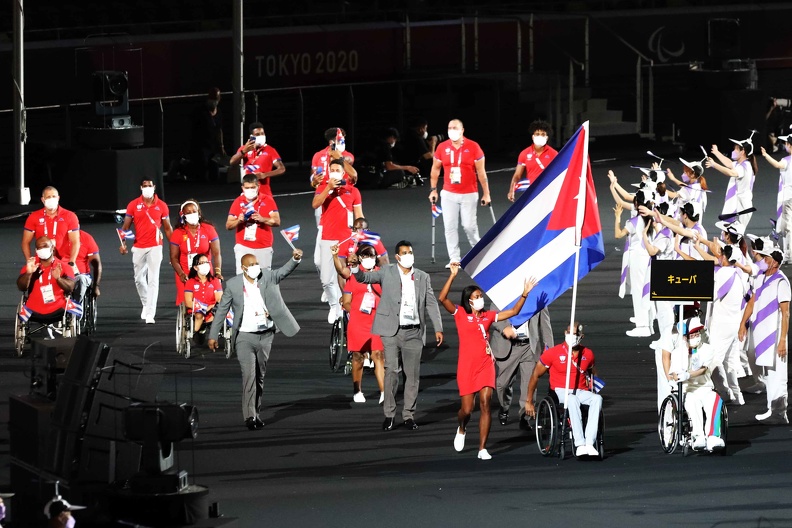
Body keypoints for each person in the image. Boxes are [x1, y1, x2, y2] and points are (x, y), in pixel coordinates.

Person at [438, 263, 536, 460]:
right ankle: (462, 427)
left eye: (481, 296)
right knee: (466, 409)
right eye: (476, 297)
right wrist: (453, 276)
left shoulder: (488, 316)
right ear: (468, 301)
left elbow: (514, 312)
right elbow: (442, 298)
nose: (480, 299)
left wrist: (524, 294)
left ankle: (482, 448)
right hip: (467, 367)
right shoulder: (460, 314)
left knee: (485, 403)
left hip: (485, 364)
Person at [352, 240, 444, 431]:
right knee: (392, 372)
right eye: (404, 252)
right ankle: (389, 414)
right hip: (391, 331)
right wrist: (354, 268)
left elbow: (431, 303)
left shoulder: (422, 276)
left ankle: (409, 415)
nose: (408, 255)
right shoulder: (387, 272)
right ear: (397, 256)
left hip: (414, 332)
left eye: (410, 251)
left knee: (412, 376)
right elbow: (364, 278)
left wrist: (438, 327)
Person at [208, 250, 303, 430]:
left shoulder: (267, 276)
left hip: (266, 335)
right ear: (243, 268)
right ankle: (249, 416)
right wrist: (213, 335)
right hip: (244, 337)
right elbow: (221, 310)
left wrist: (295, 259)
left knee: (259, 376)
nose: (255, 267)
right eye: (251, 265)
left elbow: (283, 271)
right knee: (249, 376)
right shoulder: (234, 285)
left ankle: (256, 412)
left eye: (256, 264)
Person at [524, 323, 602, 458]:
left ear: (581, 336)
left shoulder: (588, 354)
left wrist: (593, 384)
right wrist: (529, 400)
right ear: (565, 333)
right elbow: (535, 375)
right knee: (571, 399)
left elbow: (593, 371)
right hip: (560, 391)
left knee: (597, 399)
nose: (571, 336)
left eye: (575, 334)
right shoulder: (553, 353)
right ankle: (580, 443)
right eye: (568, 333)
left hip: (581, 390)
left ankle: (589, 443)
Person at [428, 119, 492, 267]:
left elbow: (481, 173)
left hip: (469, 193)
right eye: (450, 128)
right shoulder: (442, 147)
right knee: (449, 226)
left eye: (455, 128)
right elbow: (435, 169)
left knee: (469, 226)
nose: (452, 130)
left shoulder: (473, 147)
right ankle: (454, 258)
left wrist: (486, 193)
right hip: (448, 193)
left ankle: (479, 253)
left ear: (462, 130)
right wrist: (433, 190)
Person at [739, 240, 789, 423]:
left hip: (775, 335)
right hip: (760, 333)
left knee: (777, 373)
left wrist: (783, 339)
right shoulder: (760, 278)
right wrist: (742, 323)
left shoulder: (782, 282)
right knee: (769, 372)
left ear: (774, 262)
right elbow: (752, 302)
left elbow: (786, 314)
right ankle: (773, 409)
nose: (763, 260)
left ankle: (778, 411)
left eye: (766, 257)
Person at [331, 243, 385, 403]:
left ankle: (384, 391)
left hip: (378, 320)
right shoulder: (353, 276)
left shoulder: (382, 275)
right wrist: (354, 311)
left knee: (378, 355)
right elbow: (346, 301)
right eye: (367, 255)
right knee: (358, 357)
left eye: (373, 256)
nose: (370, 259)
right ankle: (357, 390)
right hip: (358, 321)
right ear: (360, 258)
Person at [662, 317, 726, 452]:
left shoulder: (708, 349)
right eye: (693, 334)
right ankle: (698, 436)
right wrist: (677, 376)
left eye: (698, 333)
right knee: (692, 403)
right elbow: (672, 373)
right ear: (685, 337)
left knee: (714, 400)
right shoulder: (678, 353)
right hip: (687, 390)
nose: (696, 336)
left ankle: (713, 436)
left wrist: (688, 374)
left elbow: (703, 369)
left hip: (705, 387)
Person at [313, 159, 363, 323]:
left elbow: (359, 215)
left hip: (346, 238)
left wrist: (361, 232)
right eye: (332, 169)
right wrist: (328, 188)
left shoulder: (353, 191)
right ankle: (334, 305)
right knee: (326, 280)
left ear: (343, 173)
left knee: (345, 276)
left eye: (337, 170)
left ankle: (345, 304)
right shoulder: (323, 187)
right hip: (328, 237)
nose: (334, 171)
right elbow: (315, 204)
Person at [119, 179, 173, 324]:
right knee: (138, 279)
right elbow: (126, 227)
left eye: (150, 186)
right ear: (141, 188)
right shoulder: (133, 205)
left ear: (154, 187)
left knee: (153, 280)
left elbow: (167, 228)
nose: (148, 188)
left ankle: (150, 313)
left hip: (156, 246)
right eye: (145, 186)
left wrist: (173, 248)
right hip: (138, 246)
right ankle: (146, 303)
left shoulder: (161, 206)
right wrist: (123, 244)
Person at [491, 308, 554, 429]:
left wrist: (549, 351)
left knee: (529, 384)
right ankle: (504, 407)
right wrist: (504, 328)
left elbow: (546, 324)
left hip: (529, 346)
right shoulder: (503, 291)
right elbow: (494, 314)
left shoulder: (538, 294)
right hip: (507, 345)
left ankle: (525, 417)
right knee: (502, 384)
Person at [614, 192, 656, 337]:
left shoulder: (634, 222)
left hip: (638, 258)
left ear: (637, 205)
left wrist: (618, 217)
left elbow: (618, 234)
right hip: (646, 257)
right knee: (646, 290)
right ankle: (648, 324)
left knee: (638, 291)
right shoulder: (649, 219)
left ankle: (642, 326)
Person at [169, 200, 222, 308]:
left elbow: (216, 254)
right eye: (188, 212)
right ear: (183, 215)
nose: (192, 214)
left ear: (199, 213)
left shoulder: (208, 229)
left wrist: (217, 271)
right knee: (188, 303)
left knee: (210, 300)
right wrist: (181, 274)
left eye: (194, 211)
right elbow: (174, 258)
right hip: (185, 272)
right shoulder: (178, 233)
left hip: (205, 271)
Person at [226, 174, 280, 274]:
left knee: (263, 279)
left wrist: (262, 219)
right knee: (242, 277)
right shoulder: (238, 202)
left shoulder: (267, 200)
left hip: (263, 246)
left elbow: (277, 221)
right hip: (243, 246)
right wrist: (239, 220)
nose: (250, 190)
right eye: (247, 188)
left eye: (252, 187)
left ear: (258, 186)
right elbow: (228, 225)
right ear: (242, 188)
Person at [21, 186, 80, 273]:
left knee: (71, 284)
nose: (51, 199)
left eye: (54, 196)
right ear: (42, 199)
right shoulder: (33, 217)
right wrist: (29, 260)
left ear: (58, 198)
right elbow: (25, 242)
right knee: (29, 283)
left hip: (64, 261)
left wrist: (71, 262)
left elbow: (75, 241)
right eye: (48, 197)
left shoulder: (70, 216)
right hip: (41, 261)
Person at [707, 133, 758, 228]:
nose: (733, 151)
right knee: (734, 236)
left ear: (742, 152)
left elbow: (731, 172)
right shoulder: (742, 164)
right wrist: (716, 152)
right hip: (740, 206)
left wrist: (714, 165)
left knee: (733, 236)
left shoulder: (744, 166)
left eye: (736, 149)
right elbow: (730, 164)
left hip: (740, 208)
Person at [17, 236, 75, 319]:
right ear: (36, 251)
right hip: (33, 308)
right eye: (39, 248)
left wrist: (59, 279)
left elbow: (70, 287)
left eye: (45, 246)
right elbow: (21, 287)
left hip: (58, 307)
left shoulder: (64, 267)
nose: (42, 249)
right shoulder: (31, 266)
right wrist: (29, 273)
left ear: (52, 248)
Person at [507, 119, 558, 202]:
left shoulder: (554, 154)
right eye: (537, 134)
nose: (540, 136)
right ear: (533, 136)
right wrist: (511, 190)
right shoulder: (524, 153)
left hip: (549, 192)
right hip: (531, 192)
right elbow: (517, 175)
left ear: (547, 137)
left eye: (543, 134)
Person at [229, 122, 285, 195]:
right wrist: (243, 151)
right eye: (257, 134)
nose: (261, 136)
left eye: (262, 133)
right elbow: (232, 162)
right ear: (252, 136)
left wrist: (264, 175)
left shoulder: (270, 150)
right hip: (247, 194)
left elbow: (281, 169)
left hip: (264, 194)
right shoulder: (244, 148)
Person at [761, 136, 792, 259]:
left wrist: (766, 155)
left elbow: (777, 165)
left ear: (790, 145)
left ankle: (789, 254)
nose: (785, 146)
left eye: (786, 144)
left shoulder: (787, 160)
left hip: (788, 196)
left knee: (787, 226)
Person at [184, 254, 223, 345]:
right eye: (202, 263)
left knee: (219, 313)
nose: (205, 264)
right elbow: (189, 302)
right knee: (199, 315)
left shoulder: (215, 281)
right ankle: (195, 332)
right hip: (196, 310)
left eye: (206, 262)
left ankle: (213, 336)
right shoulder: (190, 282)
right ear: (195, 267)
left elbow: (219, 298)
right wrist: (203, 308)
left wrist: (211, 307)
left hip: (212, 310)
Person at [189, 87, 226, 182]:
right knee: (201, 175)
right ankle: (182, 166)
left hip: (212, 146)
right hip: (201, 146)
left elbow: (219, 130)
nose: (213, 102)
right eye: (211, 99)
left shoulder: (219, 113)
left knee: (215, 176)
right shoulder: (200, 112)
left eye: (215, 99)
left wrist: (221, 147)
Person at [71, 229, 102, 306]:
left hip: (81, 275)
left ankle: (76, 308)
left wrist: (96, 286)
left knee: (80, 279)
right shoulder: (58, 238)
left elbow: (97, 264)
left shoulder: (86, 238)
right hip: (62, 274)